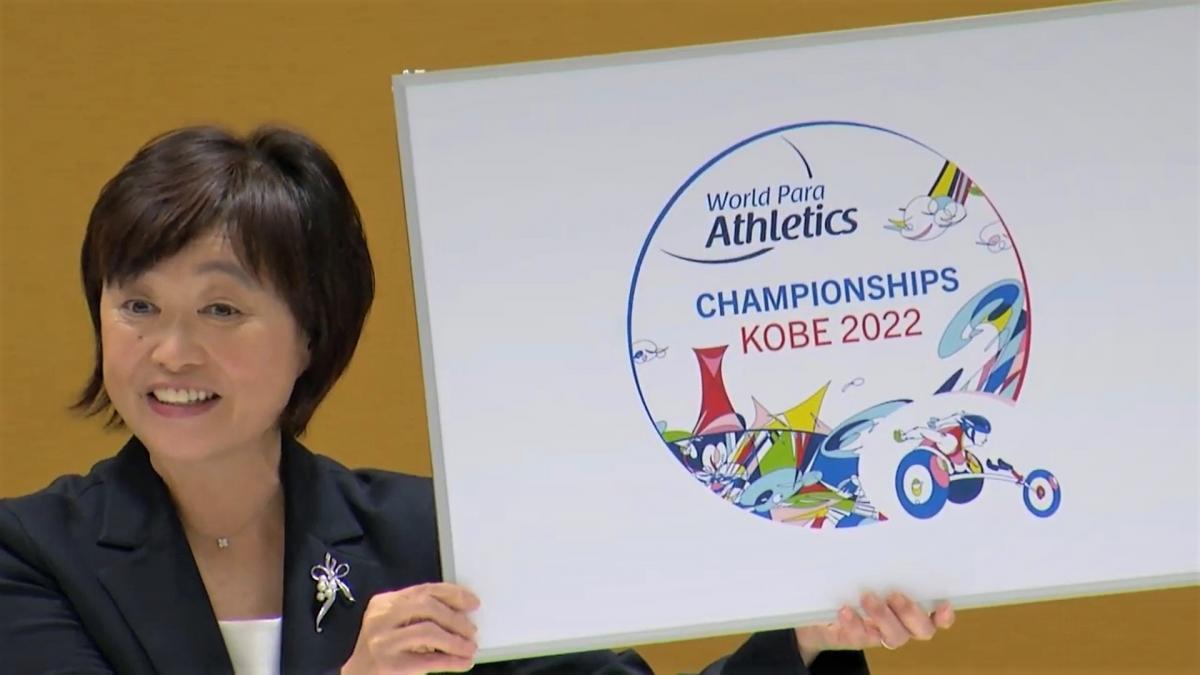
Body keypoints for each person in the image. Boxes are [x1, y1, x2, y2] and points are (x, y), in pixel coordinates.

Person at [0, 126, 954, 674]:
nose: (171, 349)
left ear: (313, 330)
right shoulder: (31, 555)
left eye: (220, 306)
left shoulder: (442, 539)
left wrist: (806, 638)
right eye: (135, 304)